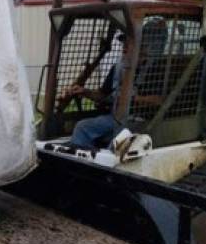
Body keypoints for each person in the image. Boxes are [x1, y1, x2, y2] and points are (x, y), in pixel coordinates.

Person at [65, 19, 168, 151]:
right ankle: (81, 164)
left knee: (117, 143)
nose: (124, 46)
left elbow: (161, 100)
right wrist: (84, 92)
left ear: (143, 46)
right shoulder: (118, 67)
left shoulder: (156, 68)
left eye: (129, 42)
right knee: (82, 127)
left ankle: (106, 166)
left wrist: (134, 99)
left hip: (140, 121)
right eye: (123, 42)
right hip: (115, 118)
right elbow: (104, 94)